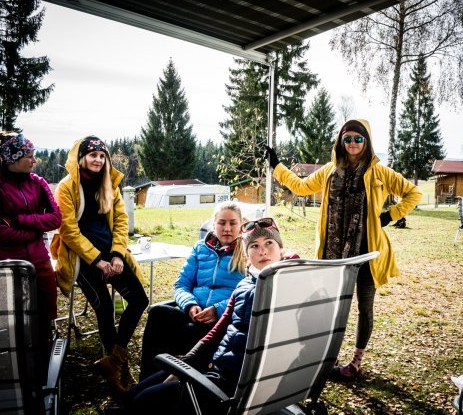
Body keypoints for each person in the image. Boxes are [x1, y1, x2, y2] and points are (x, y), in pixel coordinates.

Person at [264, 119, 422, 380]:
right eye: (347, 139)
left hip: (367, 254)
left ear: (367, 141)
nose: (352, 144)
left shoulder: (380, 172)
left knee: (365, 307)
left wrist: (390, 215)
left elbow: (413, 193)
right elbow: (302, 187)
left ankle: (356, 361)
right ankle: (330, 357)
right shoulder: (329, 170)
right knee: (333, 309)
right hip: (333, 257)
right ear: (340, 141)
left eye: (358, 139)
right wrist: (276, 166)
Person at [126, 217, 297, 413]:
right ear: (247, 253)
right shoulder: (244, 285)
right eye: (254, 246)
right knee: (136, 392)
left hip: (231, 384)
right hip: (213, 365)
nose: (263, 251)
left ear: (280, 248)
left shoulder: (285, 285)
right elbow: (217, 331)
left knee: (142, 401)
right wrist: (186, 364)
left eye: (269, 243)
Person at [52, 136, 149, 393]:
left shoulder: (111, 185)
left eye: (102, 155)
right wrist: (96, 259)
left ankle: (113, 361)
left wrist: (117, 255)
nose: (98, 159)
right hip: (82, 258)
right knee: (104, 307)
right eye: (92, 154)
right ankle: (118, 371)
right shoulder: (66, 186)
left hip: (111, 254)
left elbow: (120, 221)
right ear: (81, 157)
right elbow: (68, 230)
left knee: (139, 299)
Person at [0, 131, 62, 374]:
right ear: (11, 158)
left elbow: (56, 218)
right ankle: (18, 373)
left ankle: (44, 370)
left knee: (44, 319)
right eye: (30, 156)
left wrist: (20, 220)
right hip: (5, 265)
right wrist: (35, 230)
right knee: (14, 323)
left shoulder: (38, 182)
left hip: (41, 264)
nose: (34, 160)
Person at [139, 201, 245, 380]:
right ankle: (148, 380)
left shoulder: (246, 253)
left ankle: (169, 383)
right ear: (214, 224)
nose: (227, 228)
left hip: (220, 323)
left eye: (233, 223)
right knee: (158, 313)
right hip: (194, 315)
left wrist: (218, 310)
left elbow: (246, 294)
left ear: (241, 226)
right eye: (222, 223)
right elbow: (181, 284)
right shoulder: (200, 248)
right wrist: (189, 304)